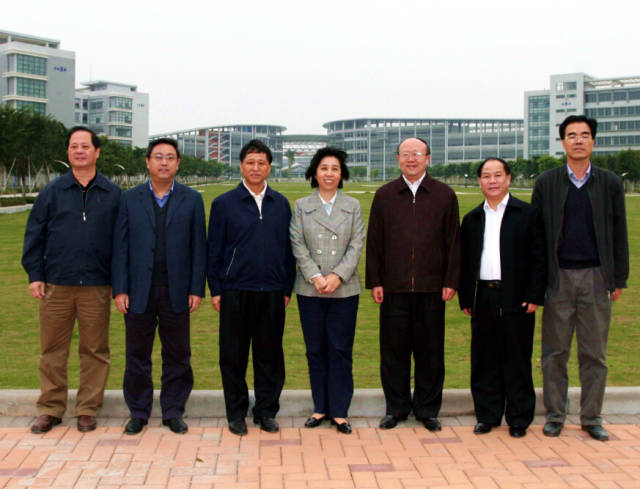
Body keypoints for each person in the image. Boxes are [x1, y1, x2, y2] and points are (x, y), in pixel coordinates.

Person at [532, 115, 629, 441]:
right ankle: (555, 415)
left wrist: (618, 278)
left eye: (584, 135)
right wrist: (539, 281)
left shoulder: (609, 183)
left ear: (593, 141)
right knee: (554, 353)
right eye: (571, 135)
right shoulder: (547, 183)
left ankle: (591, 418)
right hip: (558, 278)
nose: (578, 140)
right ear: (563, 142)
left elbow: (619, 232)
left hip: (596, 277)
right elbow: (536, 236)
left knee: (594, 354)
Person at [22, 126, 121, 433]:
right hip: (57, 284)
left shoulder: (113, 194)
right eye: (74, 146)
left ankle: (88, 409)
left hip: (97, 286)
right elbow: (34, 235)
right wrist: (35, 275)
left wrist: (119, 283)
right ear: (68, 152)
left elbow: (122, 243)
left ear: (97, 152)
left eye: (85, 146)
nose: (79, 151)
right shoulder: (52, 192)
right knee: (52, 350)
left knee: (95, 351)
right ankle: (50, 408)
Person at [111, 138, 206, 435]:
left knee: (178, 354)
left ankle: (173, 411)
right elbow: (120, 247)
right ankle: (138, 412)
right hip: (138, 290)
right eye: (158, 157)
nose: (164, 162)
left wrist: (196, 289)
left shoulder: (192, 199)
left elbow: (198, 248)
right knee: (137, 354)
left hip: (177, 290)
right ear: (148, 162)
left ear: (178, 163)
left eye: (170, 157)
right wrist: (120, 289)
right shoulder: (130, 198)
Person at [365, 137, 461, 431]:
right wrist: (375, 280)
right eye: (405, 154)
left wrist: (451, 280)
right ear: (397, 159)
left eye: (417, 154)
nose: (411, 159)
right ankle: (396, 408)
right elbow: (375, 241)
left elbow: (453, 242)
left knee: (430, 353)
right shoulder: (385, 195)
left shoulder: (444, 195)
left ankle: (427, 409)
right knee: (393, 353)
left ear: (428, 158)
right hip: (393, 289)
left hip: (432, 288)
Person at [207, 139, 296, 436]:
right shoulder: (223, 204)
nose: (255, 168)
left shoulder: (280, 204)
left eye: (261, 163)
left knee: (269, 356)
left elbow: (288, 251)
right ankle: (236, 413)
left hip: (272, 292)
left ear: (269, 167)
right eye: (250, 162)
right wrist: (216, 289)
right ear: (241, 166)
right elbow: (214, 250)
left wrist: (286, 288)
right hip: (234, 291)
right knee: (233, 357)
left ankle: (266, 412)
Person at [459, 158, 546, 438]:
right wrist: (466, 298)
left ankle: (519, 418)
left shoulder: (527, 214)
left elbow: (539, 258)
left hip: (517, 297)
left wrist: (535, 295)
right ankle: (487, 415)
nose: (492, 181)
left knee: (517, 358)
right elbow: (465, 261)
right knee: (484, 358)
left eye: (498, 175)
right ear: (480, 181)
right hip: (483, 295)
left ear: (508, 178)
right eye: (486, 176)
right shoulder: (472, 218)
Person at [289, 147, 365, 435]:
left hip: (344, 289)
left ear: (341, 174)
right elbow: (297, 244)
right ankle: (320, 407)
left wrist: (337, 276)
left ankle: (340, 411)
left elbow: (356, 244)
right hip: (311, 289)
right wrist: (316, 276)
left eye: (335, 168)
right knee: (315, 350)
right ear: (314, 172)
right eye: (324, 168)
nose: (329, 173)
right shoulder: (301, 206)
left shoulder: (353, 206)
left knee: (340, 350)